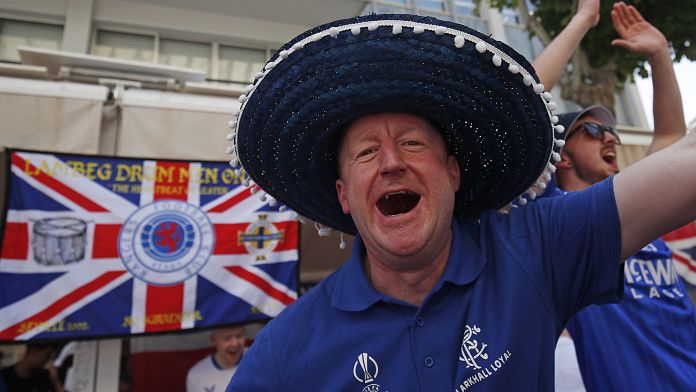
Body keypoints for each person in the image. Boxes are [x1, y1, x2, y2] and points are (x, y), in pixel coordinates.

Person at [222, 12, 696, 391]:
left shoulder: (535, 250)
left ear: (453, 172)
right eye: (366, 152)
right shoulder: (286, 349)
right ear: (343, 195)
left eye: (412, 143)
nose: (390, 162)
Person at [533, 2, 696, 391]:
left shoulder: (637, 205)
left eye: (612, 131)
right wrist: (582, 20)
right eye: (592, 131)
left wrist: (659, 56)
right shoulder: (552, 220)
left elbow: (670, 139)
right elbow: (519, 98)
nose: (610, 137)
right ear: (562, 156)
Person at [186, 325, 246, 392]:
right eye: (227, 338)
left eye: (239, 336)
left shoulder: (257, 360)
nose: (234, 344)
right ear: (214, 340)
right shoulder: (196, 375)